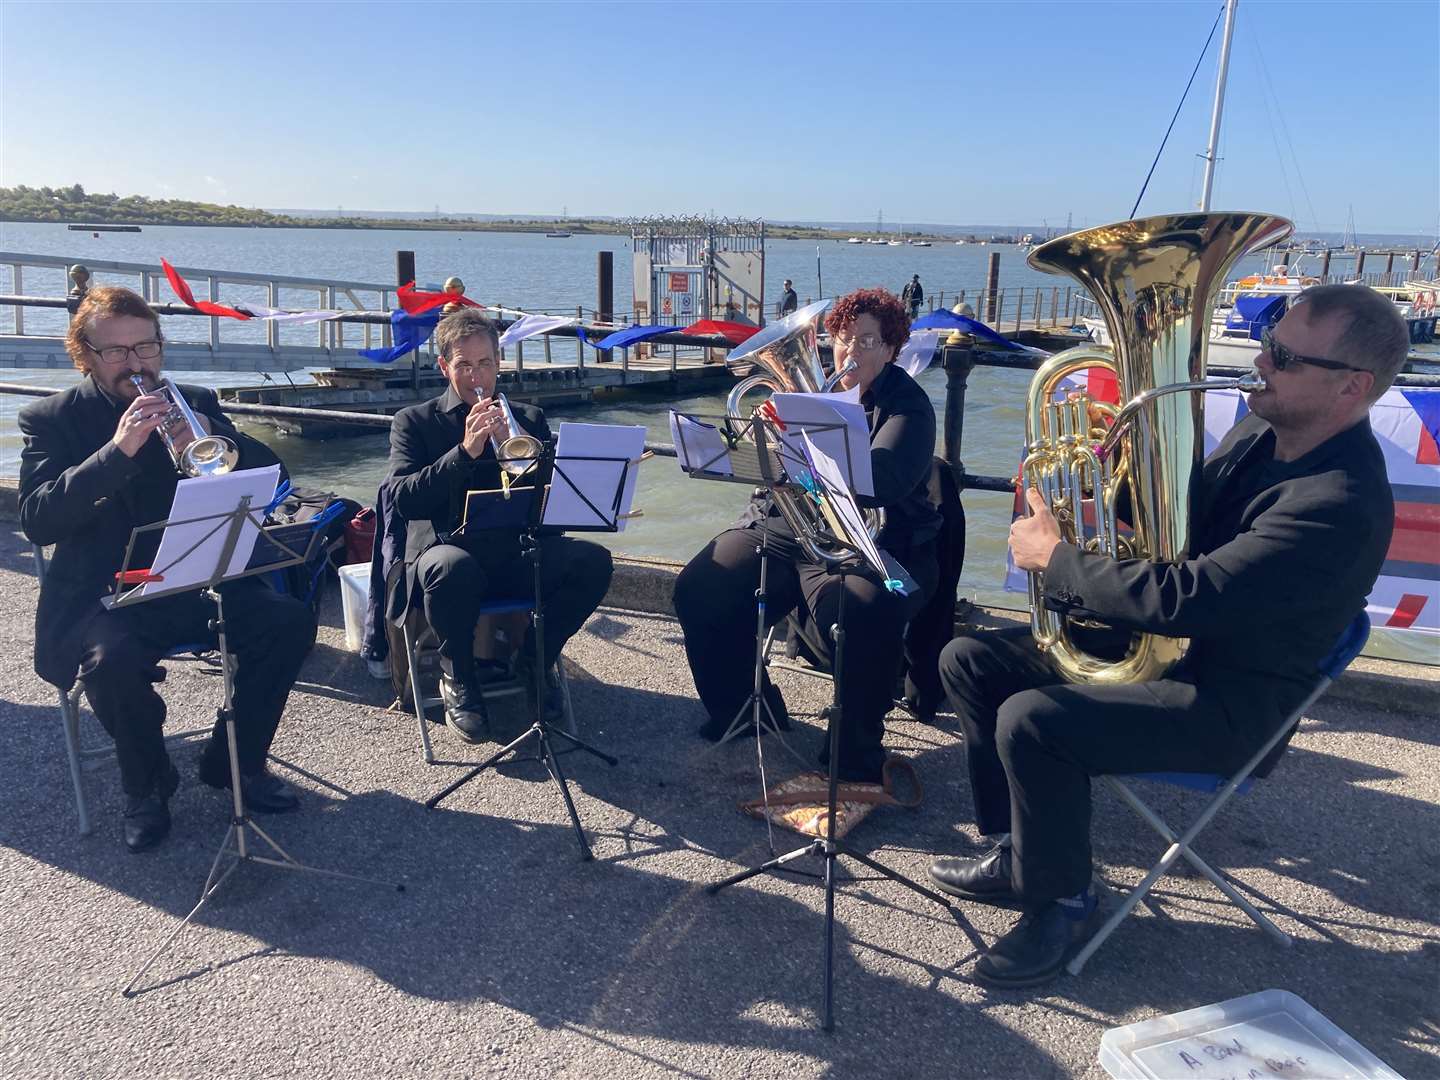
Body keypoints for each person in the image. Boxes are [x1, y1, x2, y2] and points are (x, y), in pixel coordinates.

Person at [925, 284, 1408, 988]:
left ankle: (1060, 902)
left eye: (1282, 354)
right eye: (1268, 339)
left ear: (1352, 387)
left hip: (1227, 704)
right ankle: (1018, 851)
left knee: (1036, 722)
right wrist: (1097, 477)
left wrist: (1057, 560)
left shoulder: (1337, 502)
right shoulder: (1262, 432)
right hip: (1175, 657)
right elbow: (1178, 518)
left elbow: (1190, 596)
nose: (1261, 361)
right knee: (970, 659)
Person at [19, 286, 316, 853]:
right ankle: (147, 784)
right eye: (117, 353)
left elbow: (271, 475)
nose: (136, 365)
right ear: (85, 355)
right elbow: (38, 520)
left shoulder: (195, 397)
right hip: (108, 594)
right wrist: (118, 450)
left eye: (146, 347)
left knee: (288, 622)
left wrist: (216, 438)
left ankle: (233, 761)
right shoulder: (53, 418)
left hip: (197, 577)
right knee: (112, 664)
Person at [673, 288, 941, 783]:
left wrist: (809, 436)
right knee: (699, 589)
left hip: (871, 541)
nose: (851, 353)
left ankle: (855, 750)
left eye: (867, 341)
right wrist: (766, 441)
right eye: (842, 340)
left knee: (864, 609)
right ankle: (747, 709)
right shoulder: (804, 398)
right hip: (789, 526)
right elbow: (770, 475)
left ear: (891, 348)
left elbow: (880, 481)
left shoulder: (910, 408)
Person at [387, 308, 613, 743]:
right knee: (453, 568)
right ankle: (459, 677)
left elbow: (551, 499)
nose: (478, 377)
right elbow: (402, 500)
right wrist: (465, 452)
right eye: (465, 365)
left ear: (499, 363)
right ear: (444, 367)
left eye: (486, 363)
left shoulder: (527, 418)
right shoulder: (414, 422)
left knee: (593, 562)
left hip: (513, 551)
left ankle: (534, 659)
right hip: (446, 553)